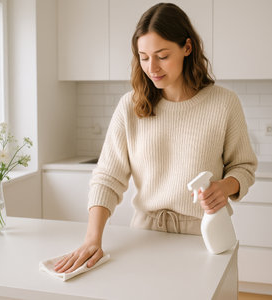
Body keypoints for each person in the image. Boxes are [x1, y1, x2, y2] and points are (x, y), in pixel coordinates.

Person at [54, 2, 257, 273]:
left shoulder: (223, 103)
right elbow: (107, 177)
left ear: (187, 48)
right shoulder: (130, 106)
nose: (152, 67)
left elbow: (243, 167)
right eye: (144, 56)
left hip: (204, 235)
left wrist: (225, 186)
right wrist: (92, 239)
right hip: (144, 234)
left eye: (162, 55)